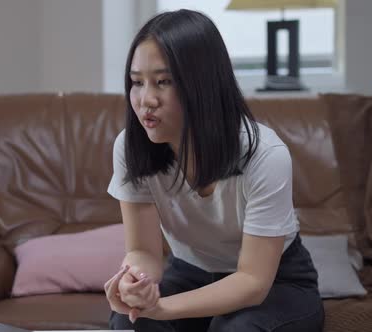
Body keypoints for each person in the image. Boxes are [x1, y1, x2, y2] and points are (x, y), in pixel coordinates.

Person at [105, 9, 324, 332]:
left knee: (235, 329)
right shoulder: (131, 147)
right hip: (190, 272)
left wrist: (162, 308)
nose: (145, 99)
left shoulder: (265, 154)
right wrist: (135, 282)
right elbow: (143, 251)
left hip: (277, 283)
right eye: (137, 82)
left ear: (202, 85)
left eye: (163, 82)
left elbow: (252, 281)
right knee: (130, 320)